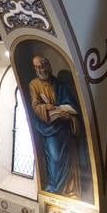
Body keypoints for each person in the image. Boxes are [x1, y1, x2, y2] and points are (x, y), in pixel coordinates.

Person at [26, 53, 84, 198]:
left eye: (43, 66)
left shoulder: (58, 84)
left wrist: (66, 113)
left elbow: (71, 104)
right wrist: (47, 108)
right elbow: (35, 105)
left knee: (66, 157)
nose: (41, 70)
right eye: (38, 67)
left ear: (48, 66)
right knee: (55, 157)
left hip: (62, 128)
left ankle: (65, 189)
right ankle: (54, 187)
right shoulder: (34, 84)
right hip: (48, 128)